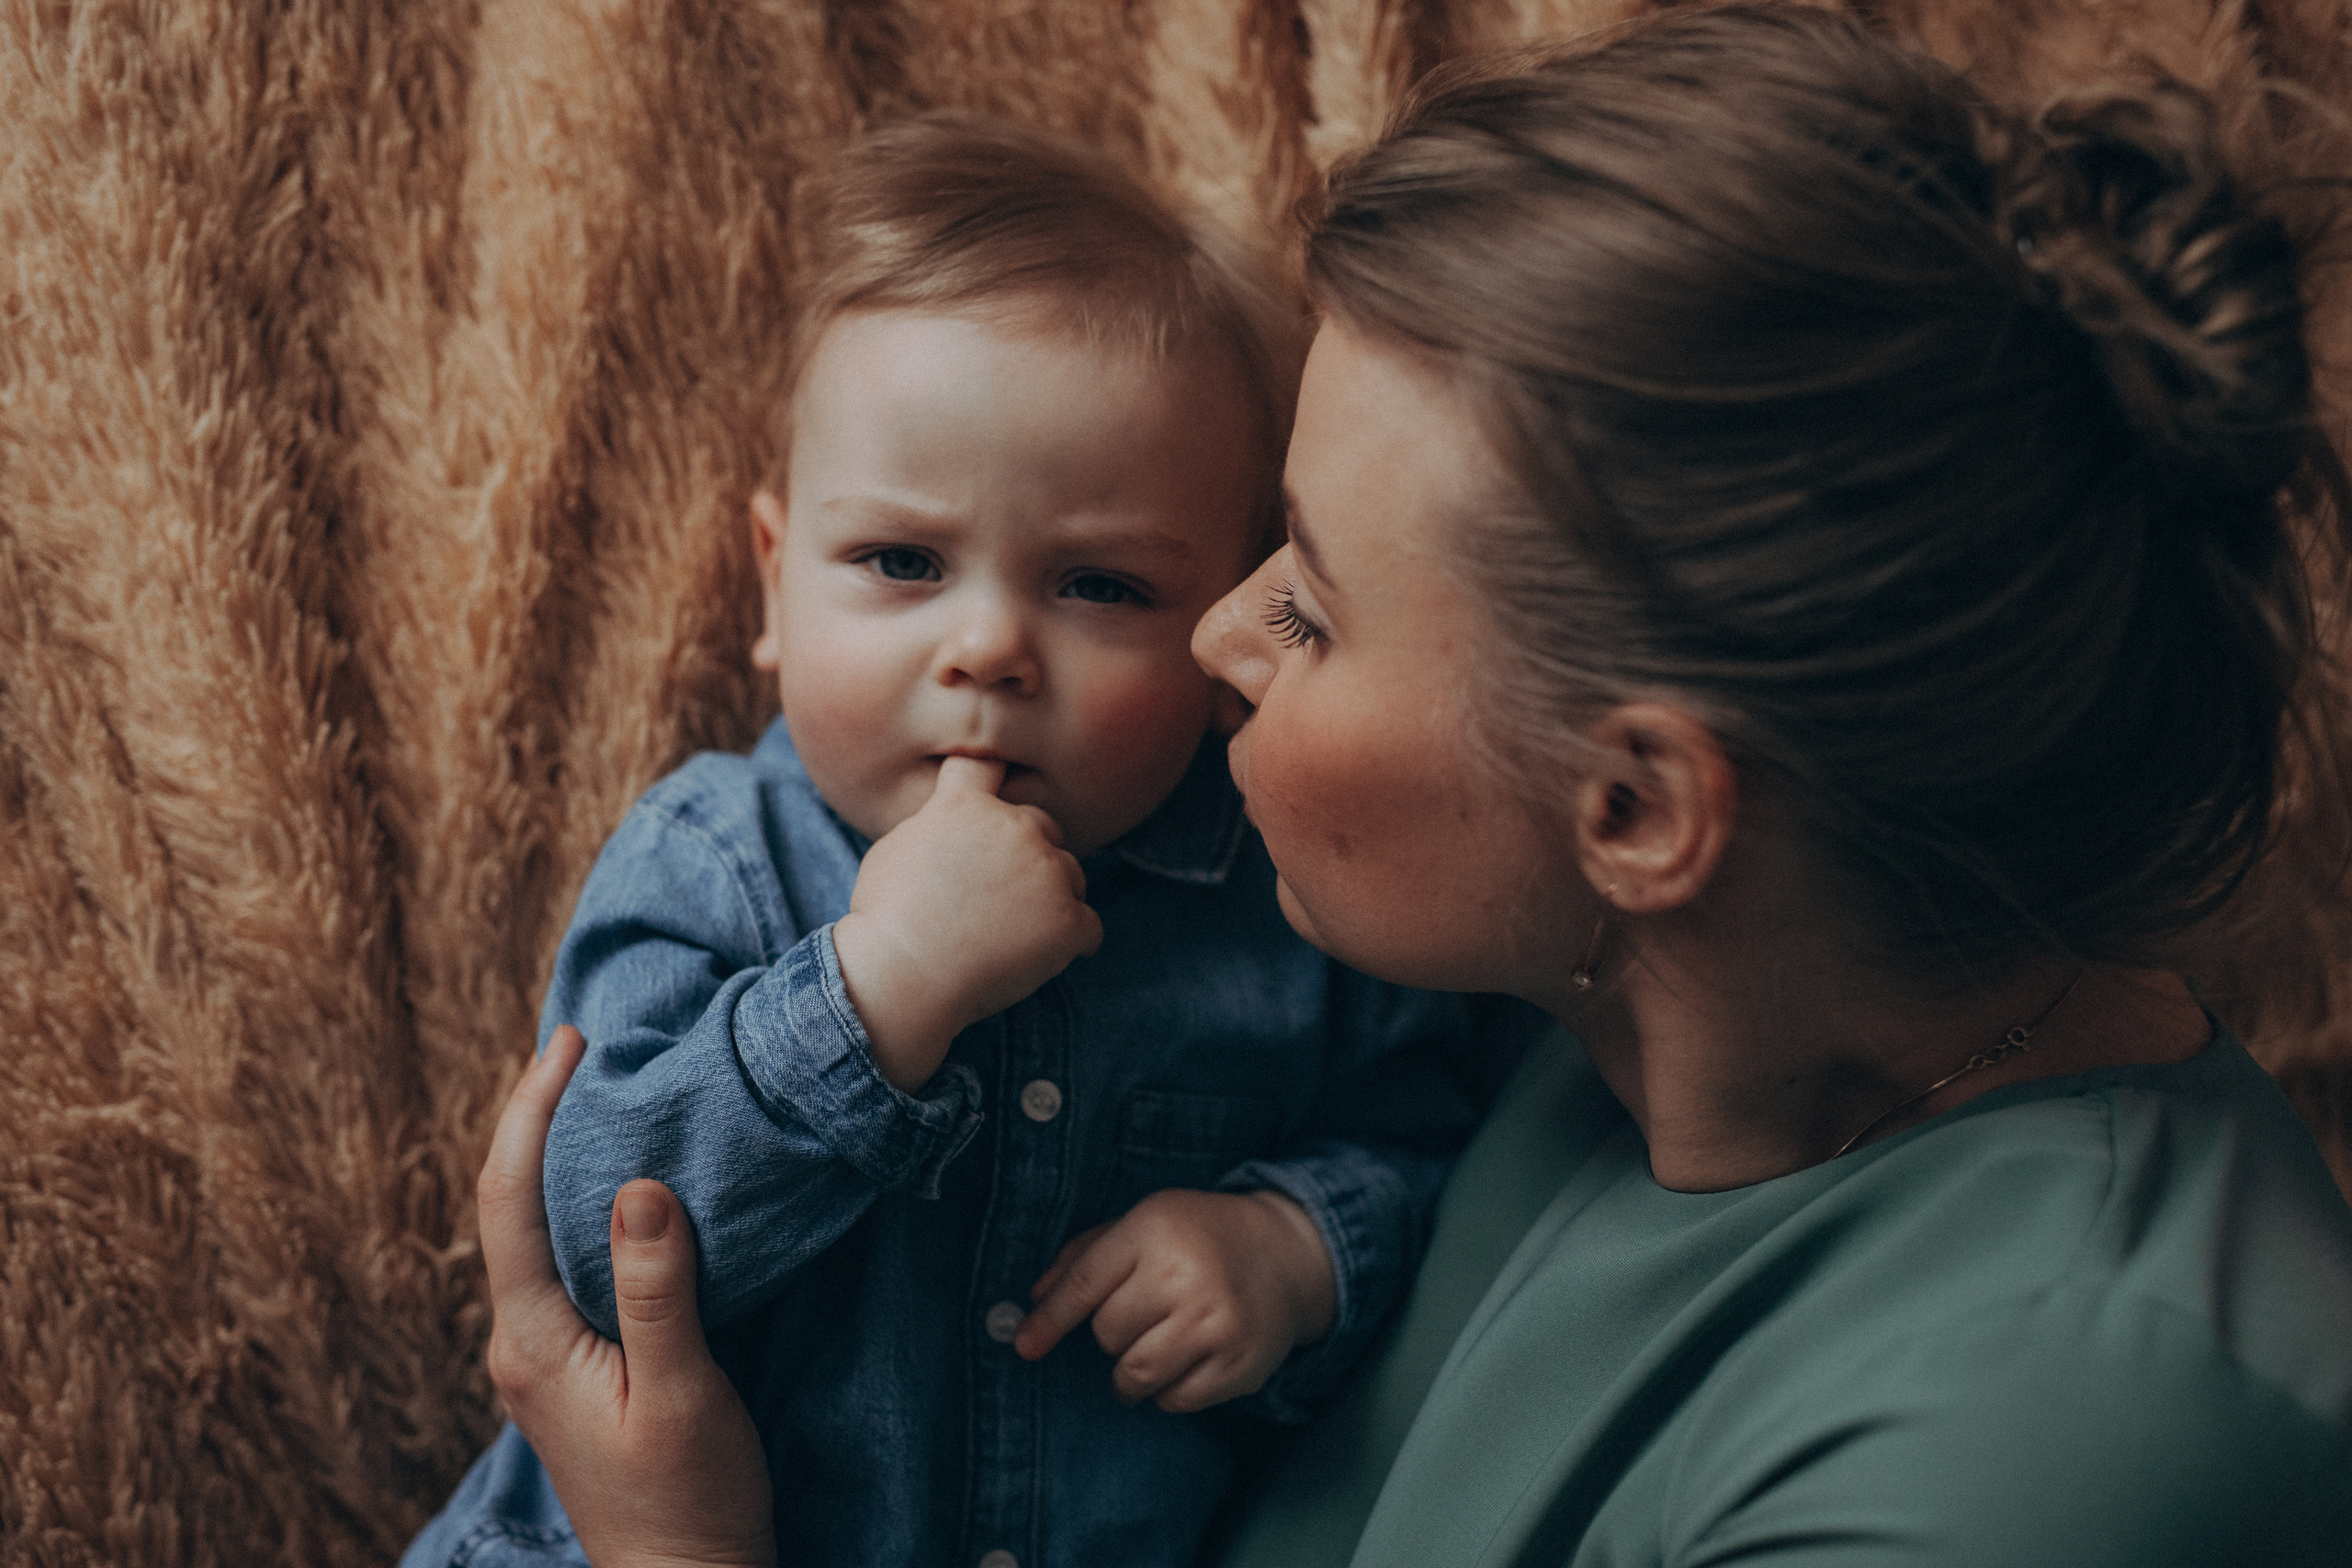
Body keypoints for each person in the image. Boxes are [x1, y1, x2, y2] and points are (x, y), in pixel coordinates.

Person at [454, 6, 2352, 1565]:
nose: (1208, 643)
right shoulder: (1603, 1011)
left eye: (1304, 596)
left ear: (1633, 814)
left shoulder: (2042, 1463)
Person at [401, 115, 1539, 1568]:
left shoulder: (1285, 899)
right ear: (773, 582)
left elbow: (1425, 1137)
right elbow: (589, 1252)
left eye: (1100, 584)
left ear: (1224, 624)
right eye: (902, 563)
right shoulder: (718, 863)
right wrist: (876, 996)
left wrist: (1295, 1246)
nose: (990, 645)